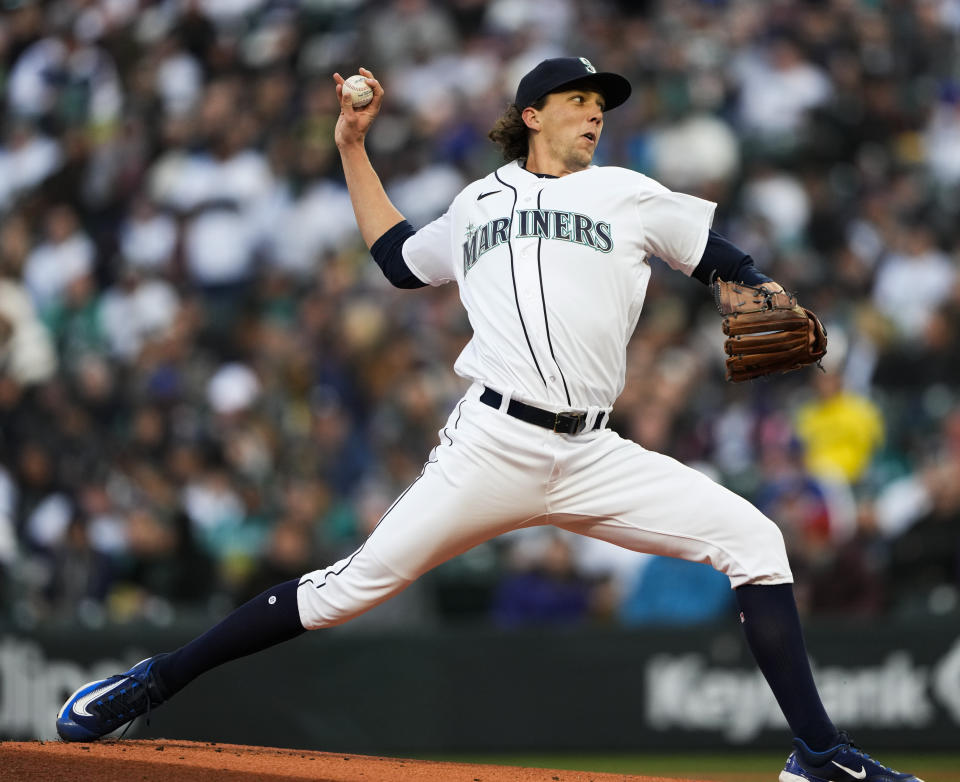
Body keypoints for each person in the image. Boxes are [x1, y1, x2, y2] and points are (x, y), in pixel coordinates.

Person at [56, 58, 921, 782]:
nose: (595, 117)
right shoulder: (477, 203)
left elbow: (723, 261)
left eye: (602, 106)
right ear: (531, 114)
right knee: (343, 591)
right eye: (580, 103)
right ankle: (150, 684)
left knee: (757, 543)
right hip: (492, 445)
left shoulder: (628, 193)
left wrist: (759, 288)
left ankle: (818, 756)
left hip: (594, 452)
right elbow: (398, 262)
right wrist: (353, 149)